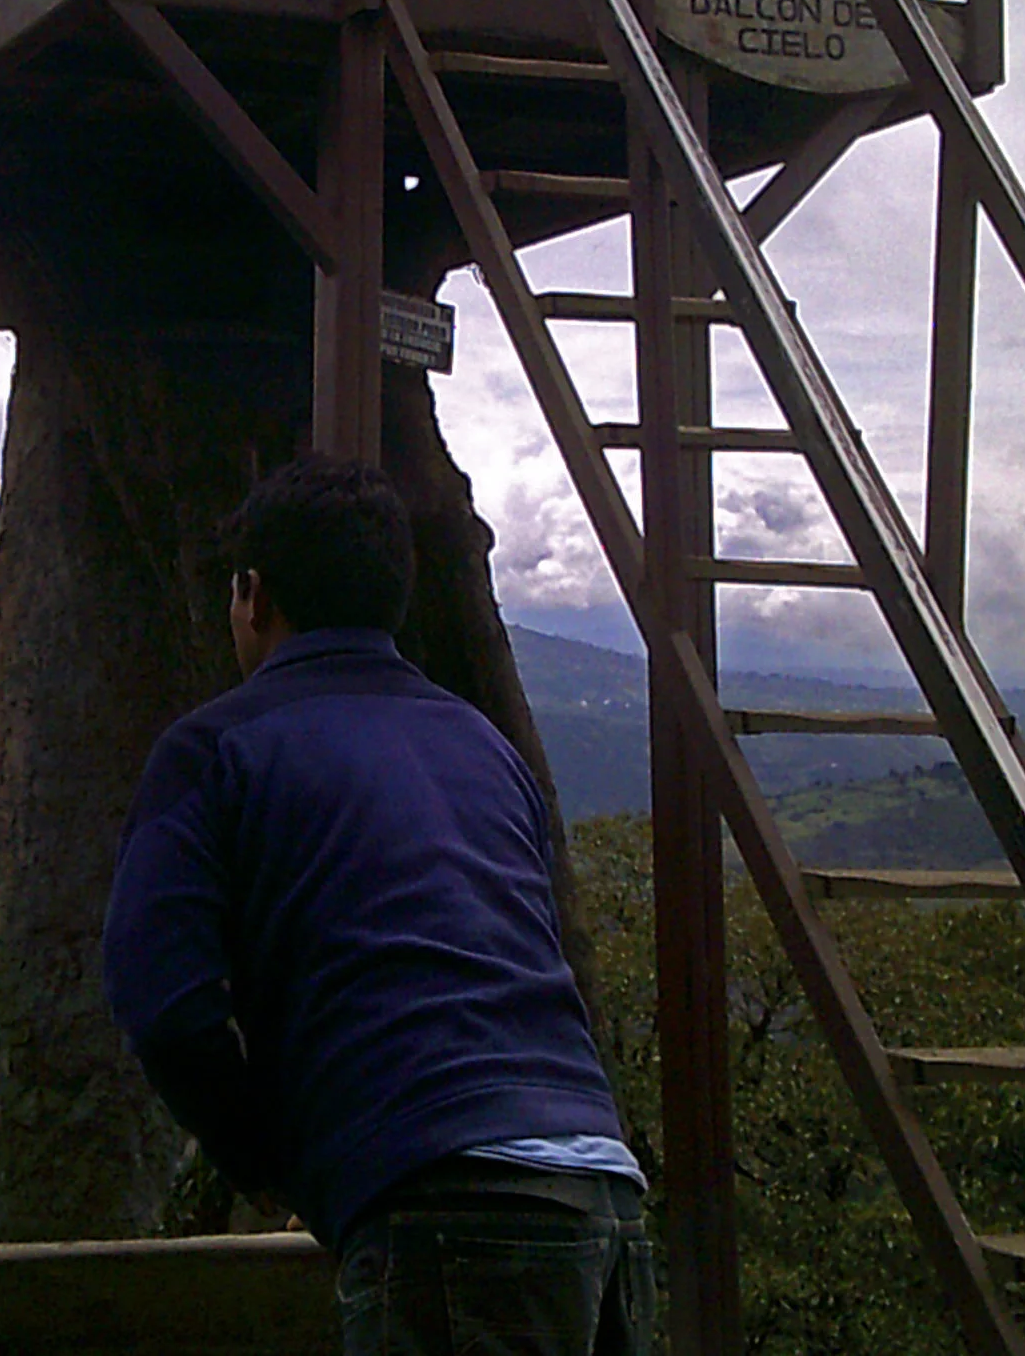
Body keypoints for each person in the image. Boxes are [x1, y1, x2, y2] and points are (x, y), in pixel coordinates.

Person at [104, 456, 653, 1356]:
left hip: (440, 1205)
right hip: (603, 1192)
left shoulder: (215, 748)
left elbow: (162, 1006)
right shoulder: (483, 742)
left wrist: (280, 1166)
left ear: (253, 595)